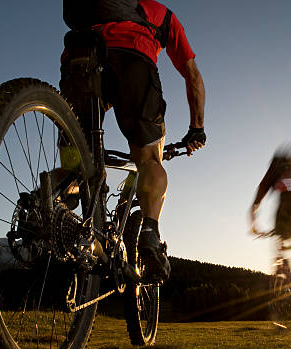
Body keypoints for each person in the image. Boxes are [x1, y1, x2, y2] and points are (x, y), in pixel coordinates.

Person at [60, 0, 206, 282]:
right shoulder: (159, 13)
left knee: (74, 169)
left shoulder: (91, 11)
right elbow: (193, 76)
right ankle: (150, 233)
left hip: (78, 61)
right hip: (133, 60)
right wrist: (196, 129)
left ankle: (44, 208)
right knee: (149, 160)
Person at [250, 146, 291, 247]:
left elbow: (261, 191)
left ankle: (286, 253)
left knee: (282, 232)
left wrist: (253, 222)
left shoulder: (275, 171)